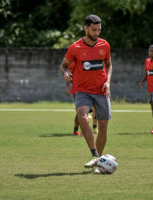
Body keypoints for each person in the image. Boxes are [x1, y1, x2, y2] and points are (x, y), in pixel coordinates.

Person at [60, 14, 112, 170]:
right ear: (86, 28)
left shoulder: (105, 45)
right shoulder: (75, 47)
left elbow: (109, 65)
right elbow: (63, 65)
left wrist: (108, 82)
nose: (97, 33)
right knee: (82, 117)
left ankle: (98, 162)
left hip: (101, 90)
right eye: (94, 29)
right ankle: (95, 153)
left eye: (99, 30)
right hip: (82, 89)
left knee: (103, 128)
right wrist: (65, 73)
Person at [66, 63, 98, 136]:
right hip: (79, 89)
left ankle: (93, 128)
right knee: (81, 111)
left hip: (92, 88)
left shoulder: (93, 60)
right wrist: (67, 87)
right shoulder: (76, 61)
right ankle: (77, 130)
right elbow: (68, 73)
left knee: (93, 109)